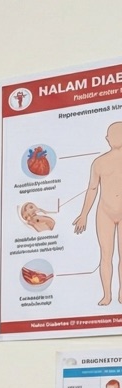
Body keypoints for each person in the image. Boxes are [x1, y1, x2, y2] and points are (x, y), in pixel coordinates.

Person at [72, 121, 122, 306]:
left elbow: (92, 188)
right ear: (107, 139)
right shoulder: (99, 162)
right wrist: (84, 214)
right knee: (106, 255)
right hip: (104, 212)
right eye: (113, 135)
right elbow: (92, 188)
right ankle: (107, 295)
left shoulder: (100, 162)